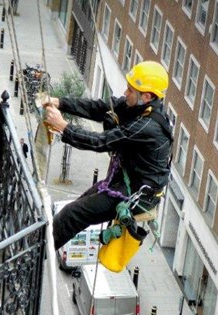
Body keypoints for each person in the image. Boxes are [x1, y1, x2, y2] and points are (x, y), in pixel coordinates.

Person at [43, 61, 173, 250]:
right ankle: (38, 246)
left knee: (73, 214)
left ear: (146, 96)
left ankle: (36, 255)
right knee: (78, 206)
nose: (125, 93)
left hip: (136, 194)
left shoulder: (148, 127)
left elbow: (101, 141)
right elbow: (99, 107)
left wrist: (64, 127)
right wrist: (59, 102)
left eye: (130, 90)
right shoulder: (138, 107)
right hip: (126, 181)